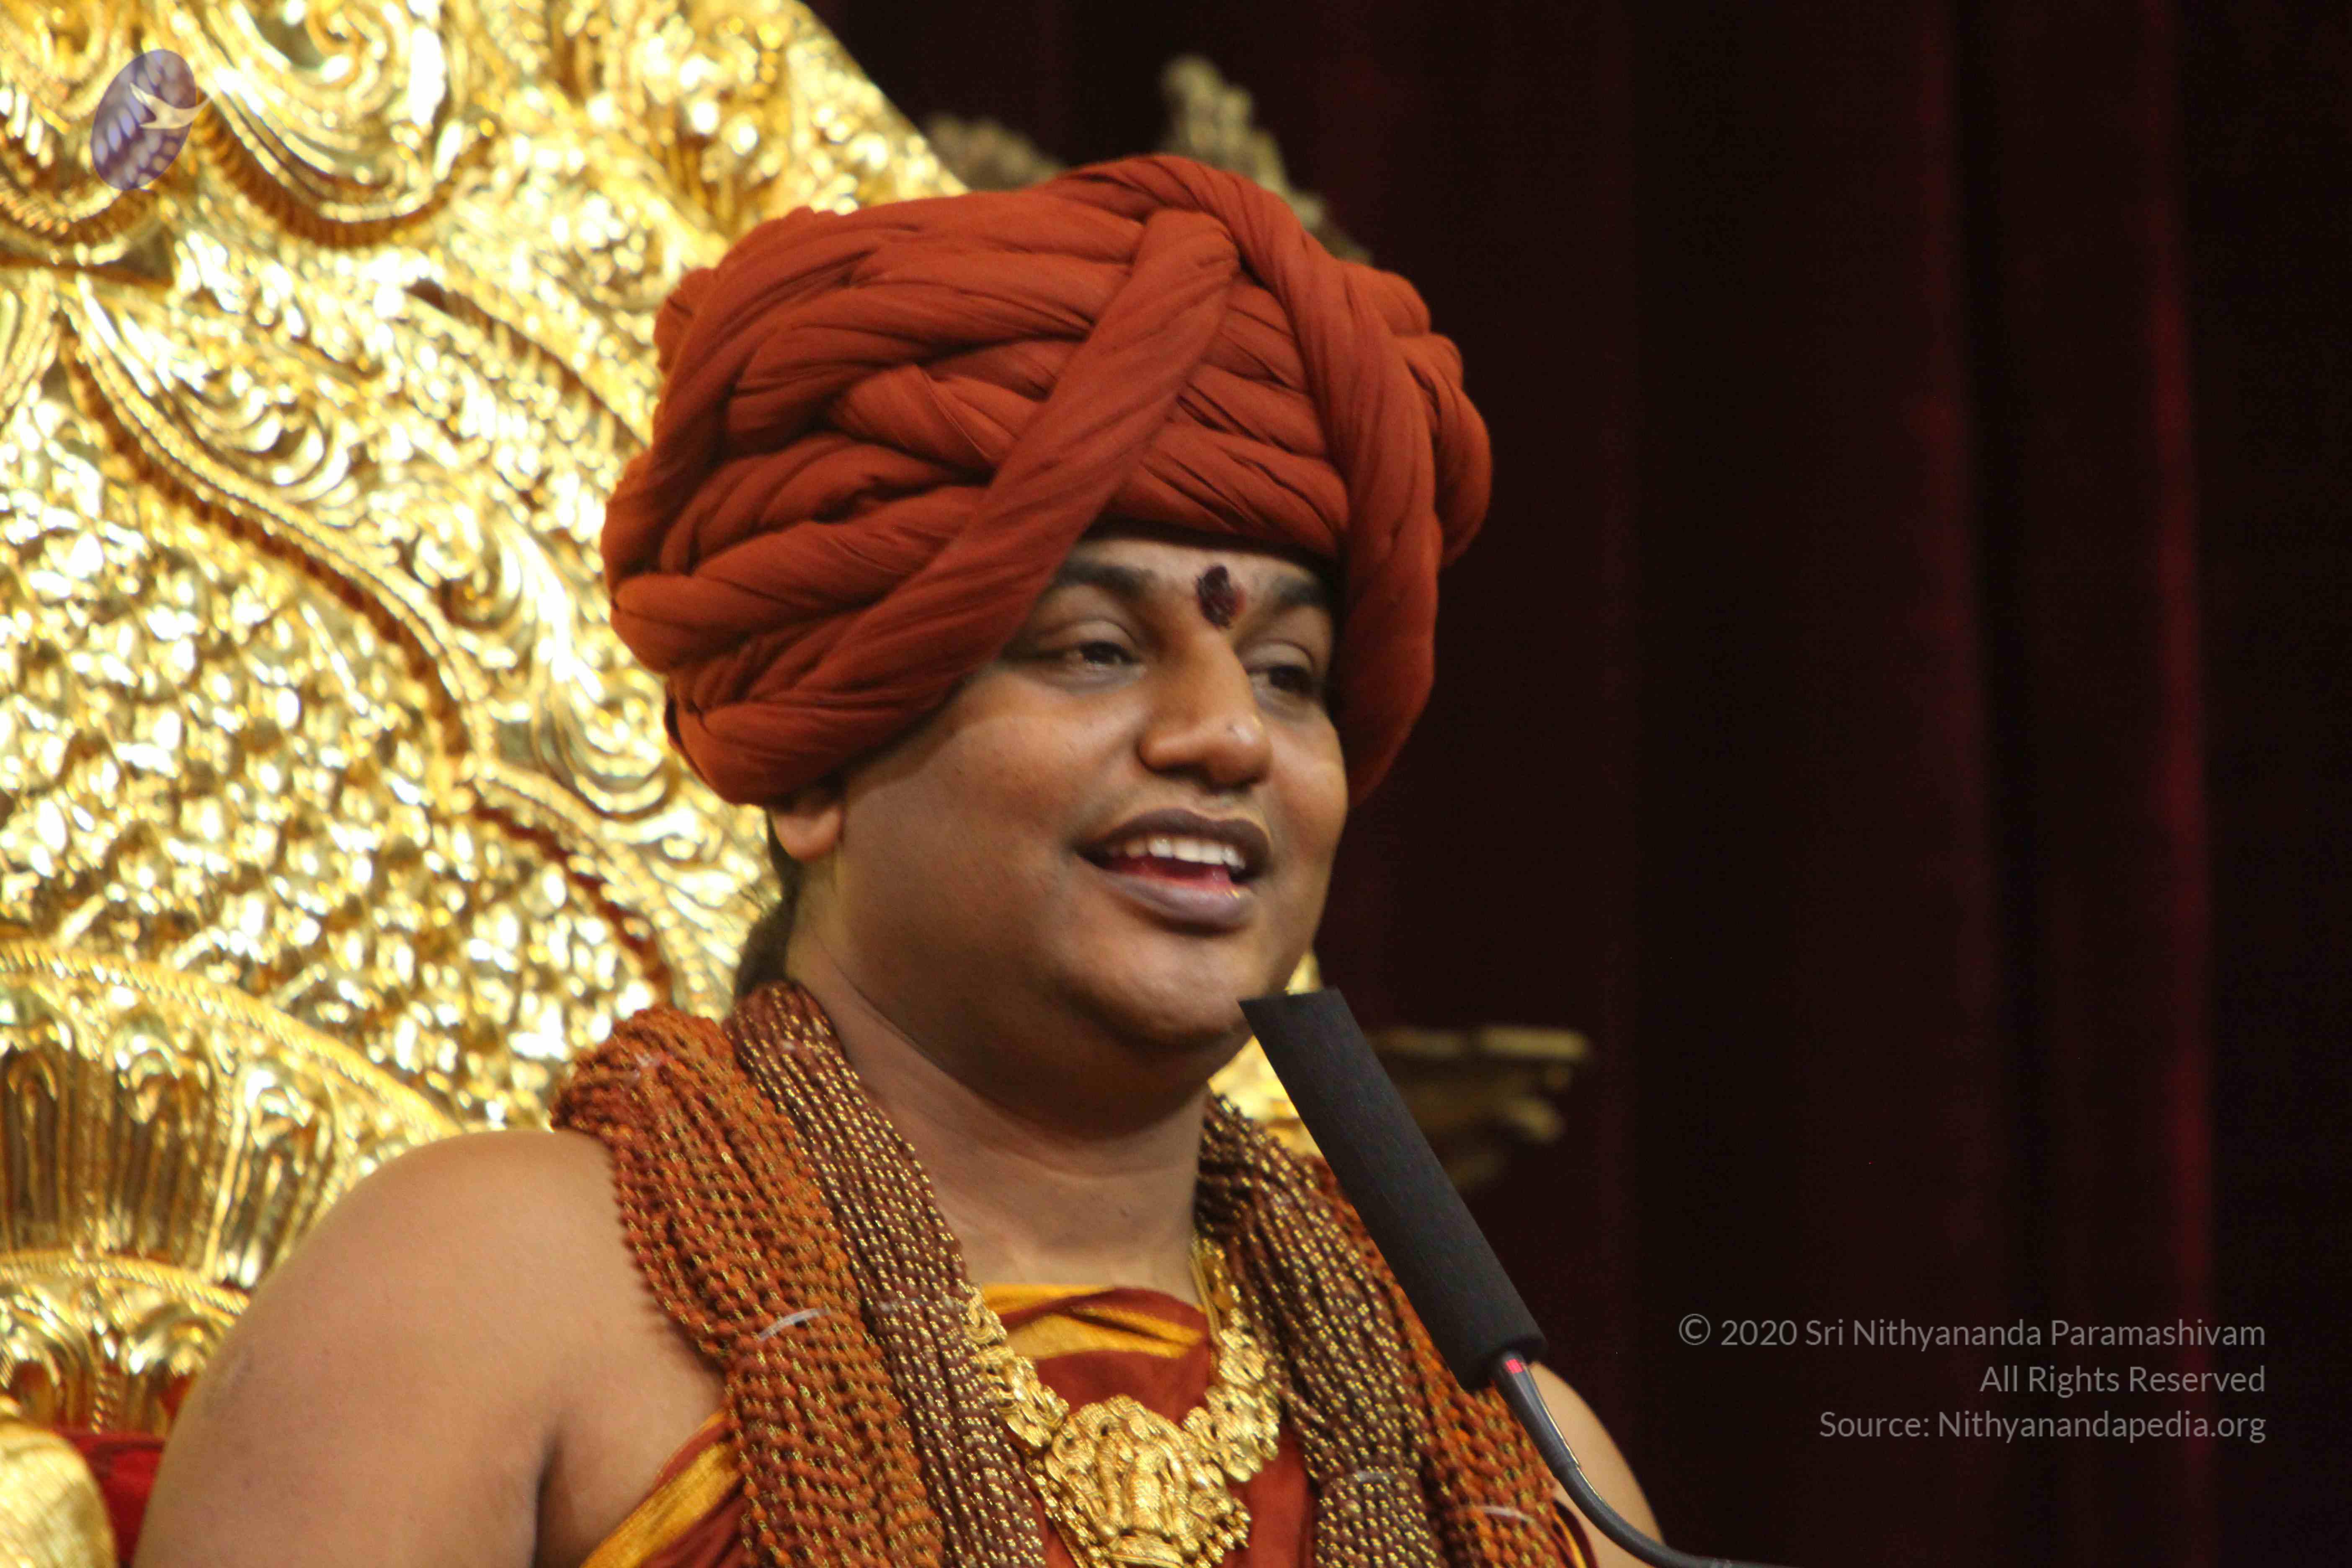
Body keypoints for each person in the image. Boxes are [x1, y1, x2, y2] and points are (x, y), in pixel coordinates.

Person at [136, 155, 1658, 1568]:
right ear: (818, 766)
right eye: (1095, 649)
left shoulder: (1514, 1446)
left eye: (1289, 674)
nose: (1227, 737)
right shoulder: (489, 1292)